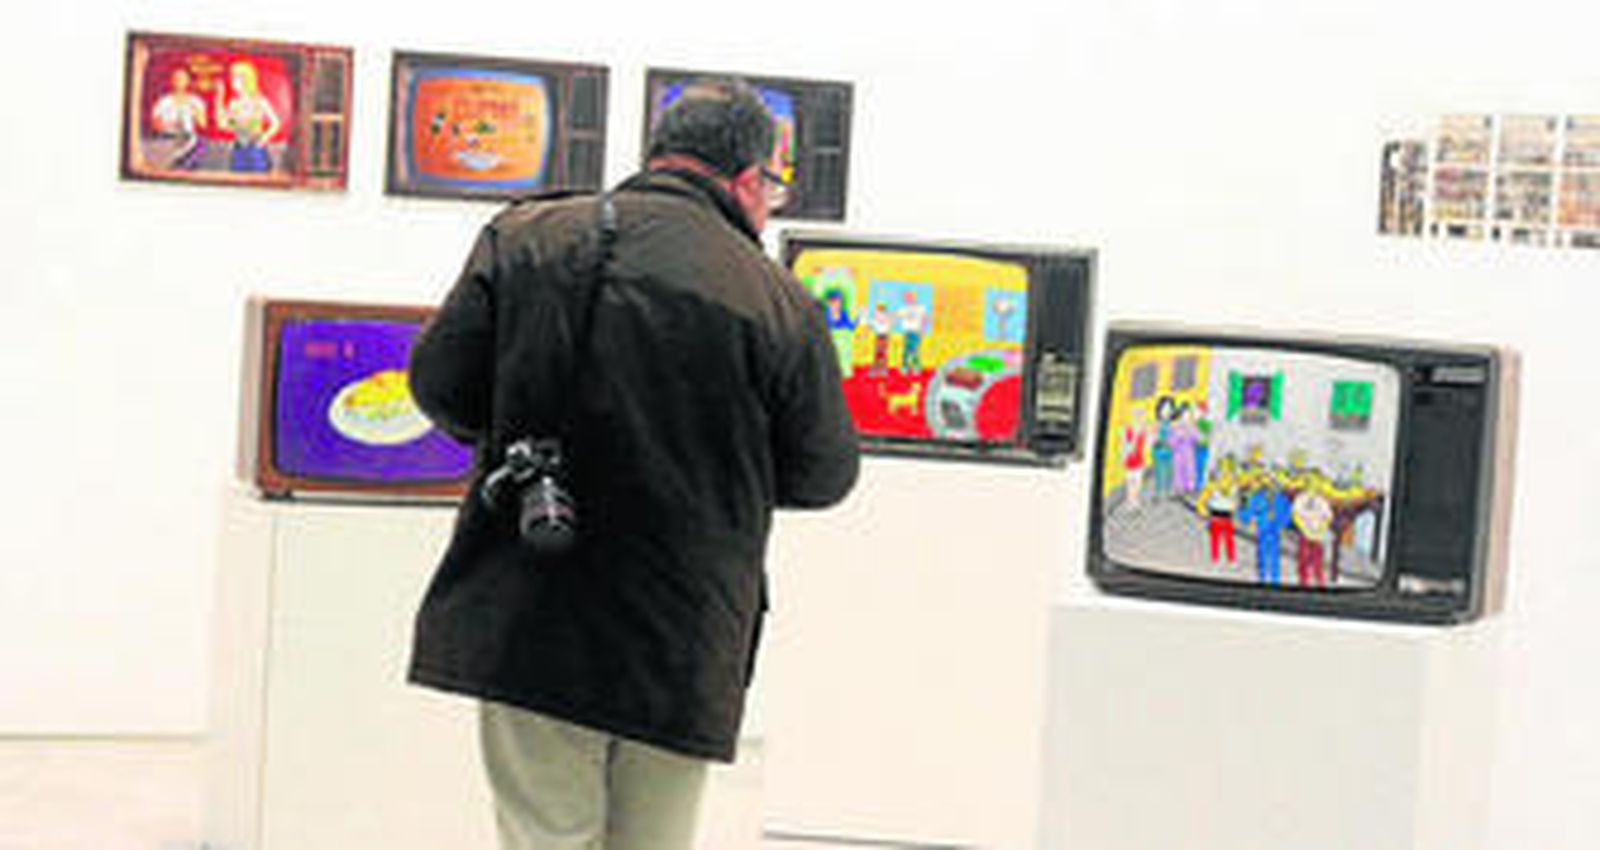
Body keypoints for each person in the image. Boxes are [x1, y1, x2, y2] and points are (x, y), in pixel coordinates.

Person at [406, 77, 860, 850]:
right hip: (684, 633)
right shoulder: (778, 301)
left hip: (534, 598)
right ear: (749, 179)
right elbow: (825, 473)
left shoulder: (527, 237)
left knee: (544, 834)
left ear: (657, 154)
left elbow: (438, 384)